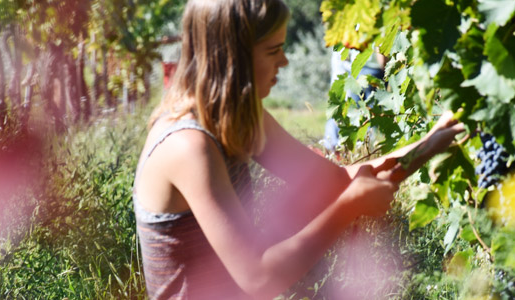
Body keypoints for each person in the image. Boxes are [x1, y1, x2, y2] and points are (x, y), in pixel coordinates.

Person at [132, 0, 465, 299]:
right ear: (233, 56)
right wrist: (350, 206)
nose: (285, 61)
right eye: (273, 50)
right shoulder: (189, 146)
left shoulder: (240, 117)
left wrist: (431, 143)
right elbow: (259, 278)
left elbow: (334, 182)